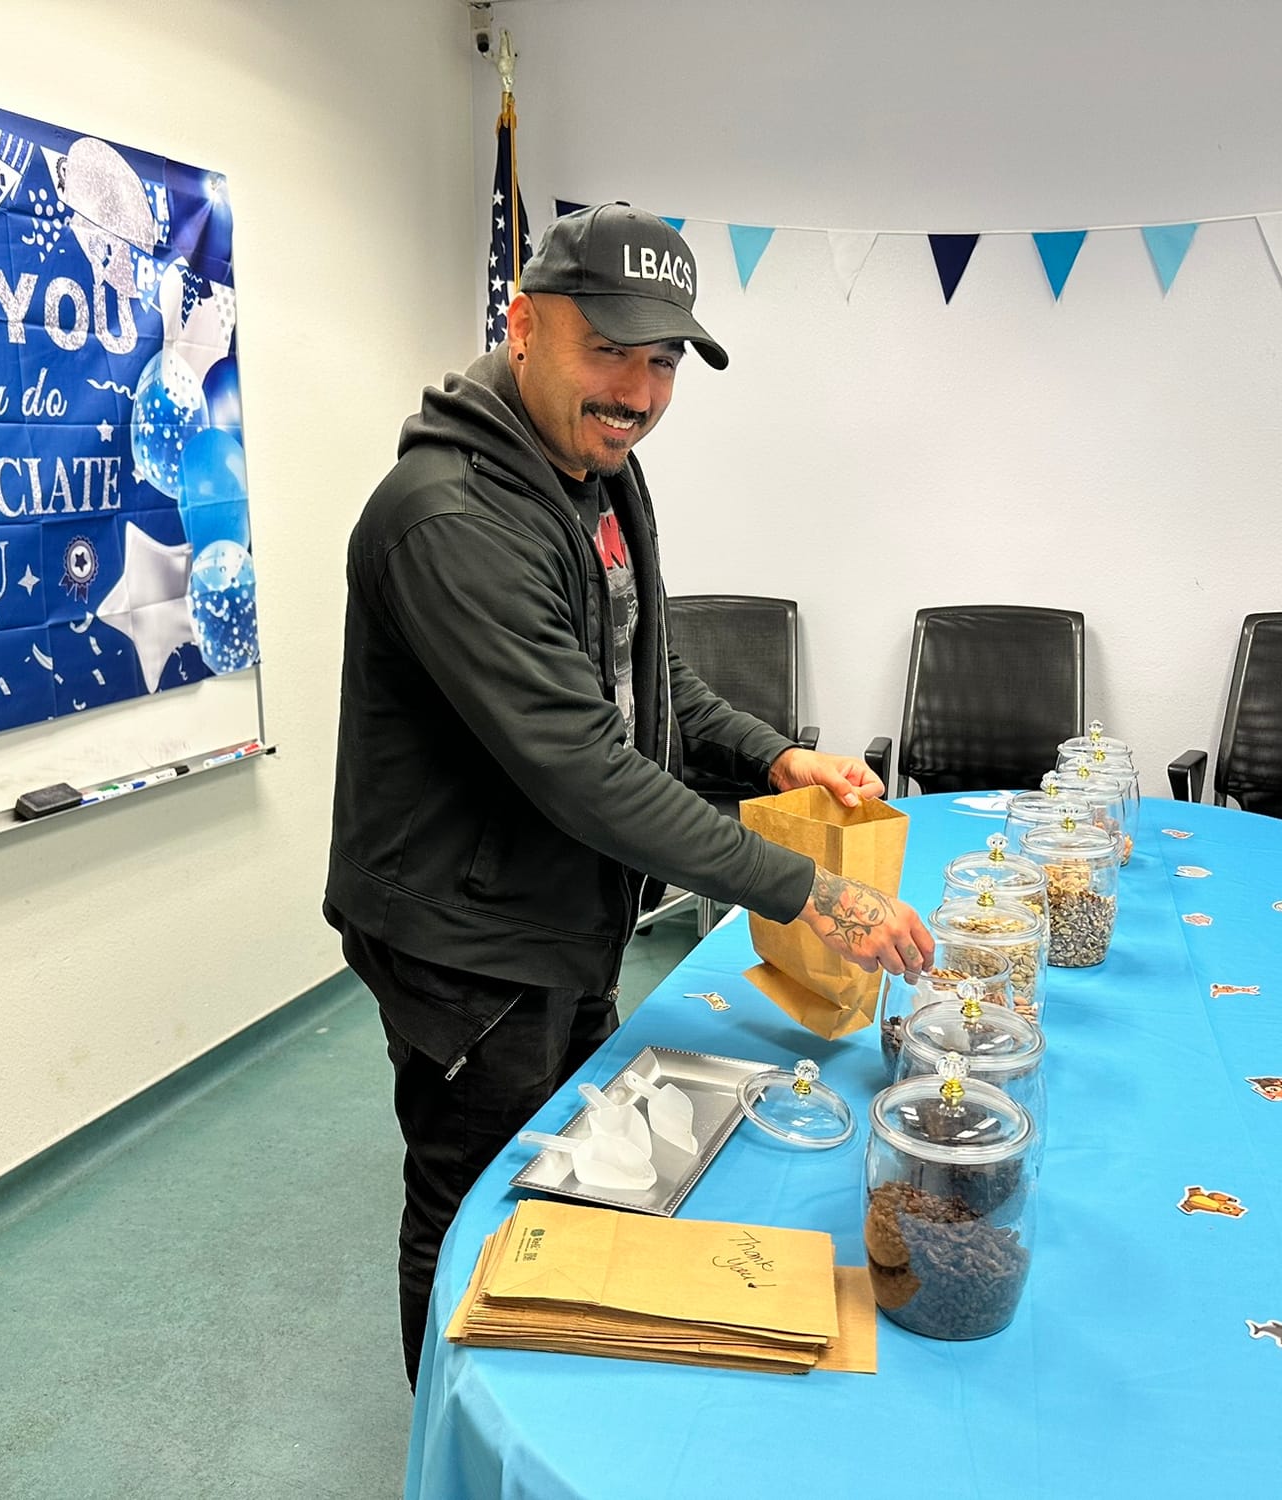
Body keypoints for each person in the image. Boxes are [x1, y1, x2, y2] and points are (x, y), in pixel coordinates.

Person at [324, 203, 933, 1386]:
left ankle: (558, 1381)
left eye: (661, 362)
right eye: (609, 350)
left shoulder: (593, 471)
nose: (638, 392)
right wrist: (806, 890)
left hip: (564, 909)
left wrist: (772, 757)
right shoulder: (450, 518)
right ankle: (457, 1438)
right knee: (472, 1203)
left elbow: (640, 673)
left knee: (580, 1163)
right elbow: (578, 760)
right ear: (523, 324)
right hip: (470, 940)